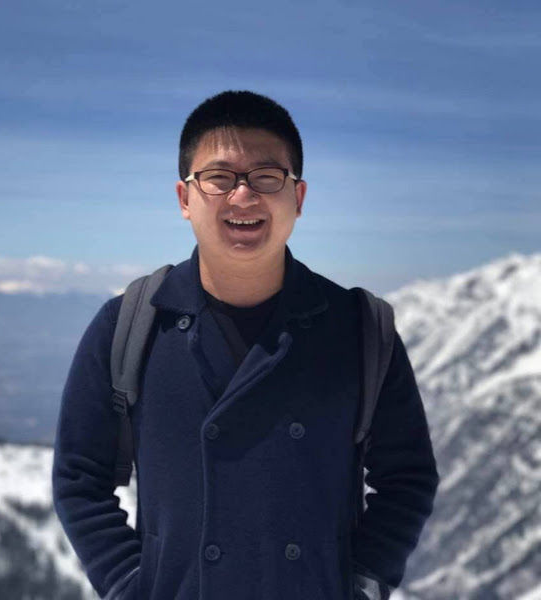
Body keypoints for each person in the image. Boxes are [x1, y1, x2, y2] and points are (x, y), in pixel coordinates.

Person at [52, 90, 439, 600]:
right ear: (185, 198)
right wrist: (129, 584)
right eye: (218, 177)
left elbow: (407, 477)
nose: (243, 196)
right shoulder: (128, 324)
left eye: (266, 176)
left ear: (298, 197)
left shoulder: (359, 328)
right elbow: (79, 478)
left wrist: (365, 583)